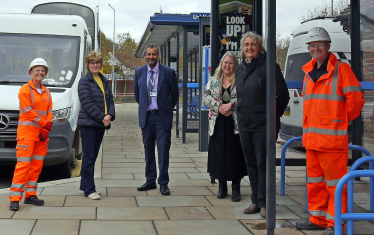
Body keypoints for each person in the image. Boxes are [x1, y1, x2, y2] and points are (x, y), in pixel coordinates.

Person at [295, 27, 365, 235]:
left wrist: (339, 122)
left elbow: (355, 101)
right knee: (315, 183)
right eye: (312, 45)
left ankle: (336, 224)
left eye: (319, 45)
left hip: (332, 140)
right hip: (312, 140)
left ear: (328, 46)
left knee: (335, 185)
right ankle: (318, 219)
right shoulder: (308, 72)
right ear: (308, 48)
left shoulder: (342, 69)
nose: (315, 49)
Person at [235, 31, 289, 218]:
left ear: (260, 46)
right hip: (245, 123)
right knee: (250, 163)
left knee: (263, 163)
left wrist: (273, 117)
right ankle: (255, 201)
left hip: (263, 124)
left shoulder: (269, 67)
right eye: (246, 45)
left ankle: (266, 203)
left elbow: (283, 96)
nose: (249, 48)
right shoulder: (240, 69)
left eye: (253, 44)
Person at [134, 45, 179, 195]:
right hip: (146, 117)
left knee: (163, 151)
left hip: (162, 117)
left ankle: (163, 182)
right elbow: (137, 95)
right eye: (148, 54)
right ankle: (150, 180)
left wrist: (165, 109)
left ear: (158, 55)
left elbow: (174, 95)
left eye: (154, 54)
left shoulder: (169, 72)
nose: (151, 57)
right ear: (145, 56)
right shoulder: (139, 72)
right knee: (148, 151)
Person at [9, 58, 53, 211]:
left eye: (43, 70)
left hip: (41, 136)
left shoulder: (47, 91)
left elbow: (49, 112)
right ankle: (15, 199)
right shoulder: (25, 90)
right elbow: (28, 112)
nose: (40, 73)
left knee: (36, 166)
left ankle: (30, 195)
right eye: (37, 70)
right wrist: (44, 124)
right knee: (23, 166)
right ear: (31, 72)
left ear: (45, 73)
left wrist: (46, 129)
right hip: (27, 135)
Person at [203, 51, 247, 202]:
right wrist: (220, 106)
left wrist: (230, 106)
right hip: (217, 123)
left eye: (231, 63)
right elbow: (206, 96)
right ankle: (222, 186)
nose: (227, 65)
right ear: (221, 65)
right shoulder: (214, 80)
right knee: (219, 154)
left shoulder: (240, 80)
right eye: (225, 63)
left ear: (235, 65)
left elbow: (244, 97)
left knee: (234, 155)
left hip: (234, 124)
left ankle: (236, 188)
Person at [77, 51, 115, 200]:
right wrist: (102, 118)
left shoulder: (103, 80)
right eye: (92, 62)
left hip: (99, 124)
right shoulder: (84, 81)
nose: (95, 65)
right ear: (88, 65)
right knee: (88, 157)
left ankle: (85, 185)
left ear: (101, 65)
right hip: (89, 124)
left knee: (92, 157)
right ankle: (89, 189)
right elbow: (86, 103)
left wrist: (110, 115)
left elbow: (110, 100)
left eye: (97, 62)